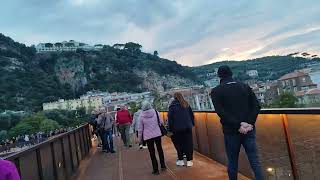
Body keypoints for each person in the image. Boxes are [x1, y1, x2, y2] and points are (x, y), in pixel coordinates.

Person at [210, 65, 263, 180]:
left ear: (219, 76)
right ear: (231, 73)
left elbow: (221, 112)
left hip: (231, 131)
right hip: (249, 130)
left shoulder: (216, 91)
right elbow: (256, 106)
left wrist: (238, 125)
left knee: (233, 161)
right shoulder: (244, 86)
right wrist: (249, 123)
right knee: (255, 161)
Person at [138, 101, 166, 175]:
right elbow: (161, 122)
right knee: (160, 149)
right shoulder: (156, 112)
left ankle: (155, 170)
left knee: (152, 153)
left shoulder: (141, 116)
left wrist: (140, 139)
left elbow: (140, 129)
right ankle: (163, 165)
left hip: (148, 136)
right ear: (150, 105)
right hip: (157, 134)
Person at [168, 92, 195, 167]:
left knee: (179, 144)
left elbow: (170, 119)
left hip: (176, 129)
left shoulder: (172, 106)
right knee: (188, 143)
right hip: (187, 127)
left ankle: (181, 160)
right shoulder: (186, 104)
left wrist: (170, 129)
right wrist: (192, 124)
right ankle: (189, 161)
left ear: (174, 97)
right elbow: (191, 115)